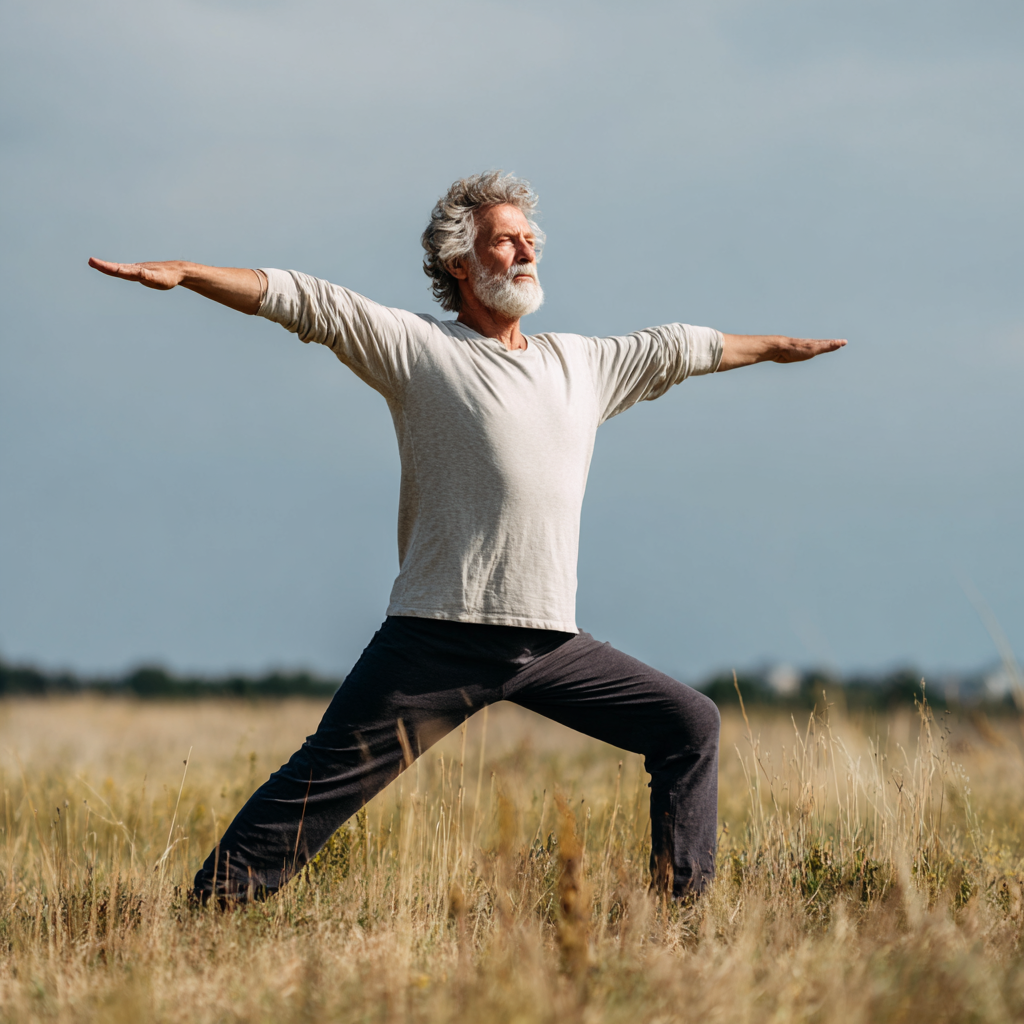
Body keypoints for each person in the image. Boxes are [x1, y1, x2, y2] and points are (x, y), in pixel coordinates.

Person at [90, 171, 845, 903]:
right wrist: (189, 273)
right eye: (505, 241)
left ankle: (679, 911)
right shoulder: (421, 352)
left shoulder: (581, 364)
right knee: (319, 783)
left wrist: (775, 346)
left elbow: (681, 347)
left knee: (689, 724)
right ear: (458, 262)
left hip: (548, 642)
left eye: (529, 240)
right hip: (437, 635)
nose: (525, 252)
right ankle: (211, 909)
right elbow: (307, 299)